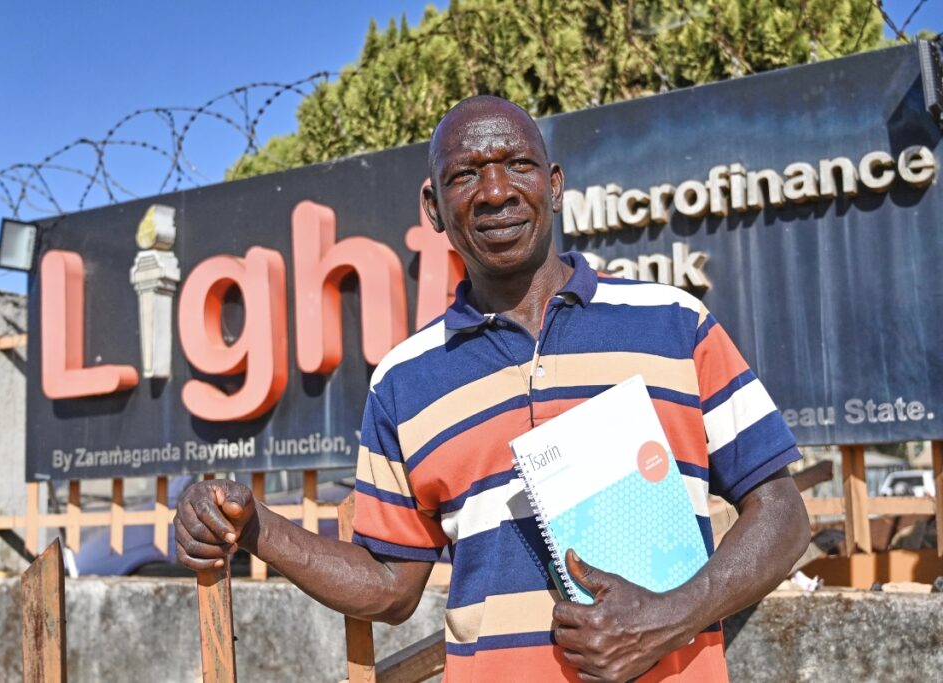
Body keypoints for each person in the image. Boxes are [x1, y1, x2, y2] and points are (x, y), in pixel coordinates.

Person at [174, 95, 811, 682]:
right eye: (465, 174)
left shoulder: (674, 322)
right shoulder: (405, 380)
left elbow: (782, 514)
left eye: (517, 165)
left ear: (554, 186)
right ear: (433, 209)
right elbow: (391, 586)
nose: (496, 192)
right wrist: (257, 527)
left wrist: (668, 617)